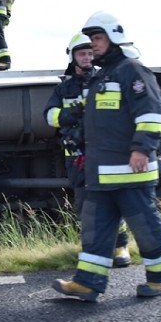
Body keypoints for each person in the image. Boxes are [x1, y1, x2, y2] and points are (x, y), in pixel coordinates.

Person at [53, 12, 161, 301]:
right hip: (100, 174)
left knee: (145, 228)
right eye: (90, 39)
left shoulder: (132, 71)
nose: (92, 45)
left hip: (131, 171)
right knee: (95, 231)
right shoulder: (101, 77)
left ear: (113, 38)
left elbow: (153, 113)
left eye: (97, 38)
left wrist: (142, 149)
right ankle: (88, 282)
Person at [43, 33, 133, 269]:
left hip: (106, 154)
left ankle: (120, 246)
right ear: (73, 57)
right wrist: (70, 115)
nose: (87, 57)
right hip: (77, 157)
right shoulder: (63, 88)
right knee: (85, 206)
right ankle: (93, 251)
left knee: (114, 201)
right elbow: (49, 116)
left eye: (90, 53)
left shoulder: (107, 80)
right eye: (82, 53)